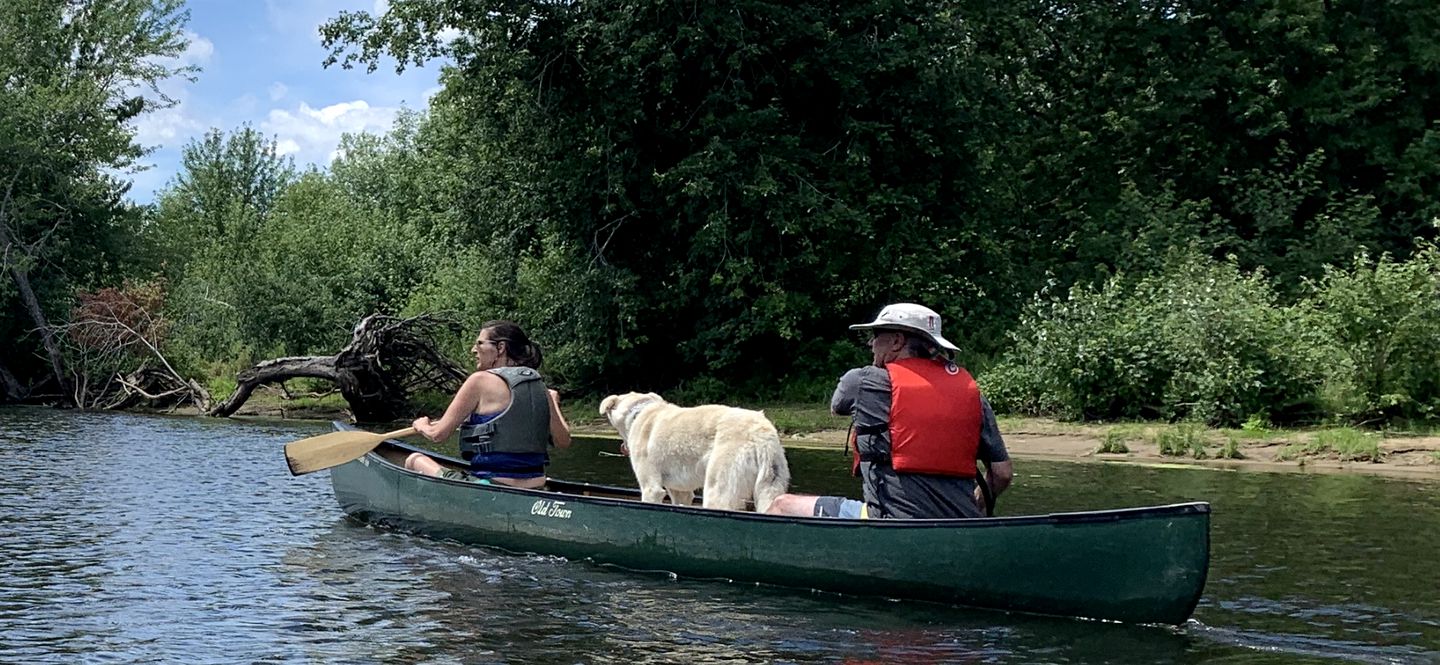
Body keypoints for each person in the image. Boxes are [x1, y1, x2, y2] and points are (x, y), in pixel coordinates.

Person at [767, 303, 1012, 519]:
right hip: (959, 522)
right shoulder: (972, 394)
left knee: (781, 504)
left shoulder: (862, 381)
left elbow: (837, 406)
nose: (871, 343)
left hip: (889, 520)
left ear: (897, 341)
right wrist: (977, 503)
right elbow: (1001, 474)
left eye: (876, 335)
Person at [404, 320, 571, 489]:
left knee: (414, 459)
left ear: (500, 348)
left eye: (480, 343)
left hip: (491, 485)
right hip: (536, 486)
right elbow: (563, 441)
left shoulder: (479, 381)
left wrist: (422, 425)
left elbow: (437, 435)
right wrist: (553, 402)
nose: (473, 350)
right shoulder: (538, 384)